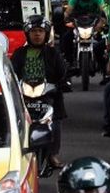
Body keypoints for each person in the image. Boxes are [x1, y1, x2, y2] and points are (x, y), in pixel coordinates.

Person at [10, 15, 68, 168]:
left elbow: (62, 73)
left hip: (48, 95)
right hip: (24, 96)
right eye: (34, 31)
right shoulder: (19, 53)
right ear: (27, 34)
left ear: (46, 33)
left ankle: (53, 154)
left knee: (55, 121)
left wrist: (60, 85)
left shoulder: (53, 53)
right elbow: (11, 73)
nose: (37, 34)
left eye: (40, 31)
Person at [62, 0, 106, 67]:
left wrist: (101, 22)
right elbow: (68, 12)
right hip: (78, 25)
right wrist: (64, 18)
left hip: (94, 25)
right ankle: (68, 61)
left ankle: (103, 66)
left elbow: (103, 10)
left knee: (104, 41)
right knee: (66, 38)